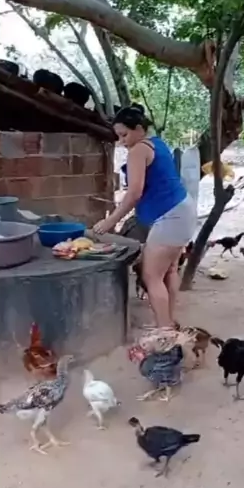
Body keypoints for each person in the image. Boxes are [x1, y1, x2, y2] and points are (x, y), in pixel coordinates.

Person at [93, 104, 196, 328]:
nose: (122, 141)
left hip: (170, 215)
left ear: (139, 129)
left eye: (124, 135)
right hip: (183, 209)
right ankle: (168, 322)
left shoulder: (138, 150)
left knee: (151, 276)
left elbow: (134, 193)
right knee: (169, 270)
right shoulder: (157, 143)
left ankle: (164, 332)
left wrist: (111, 221)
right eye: (119, 136)